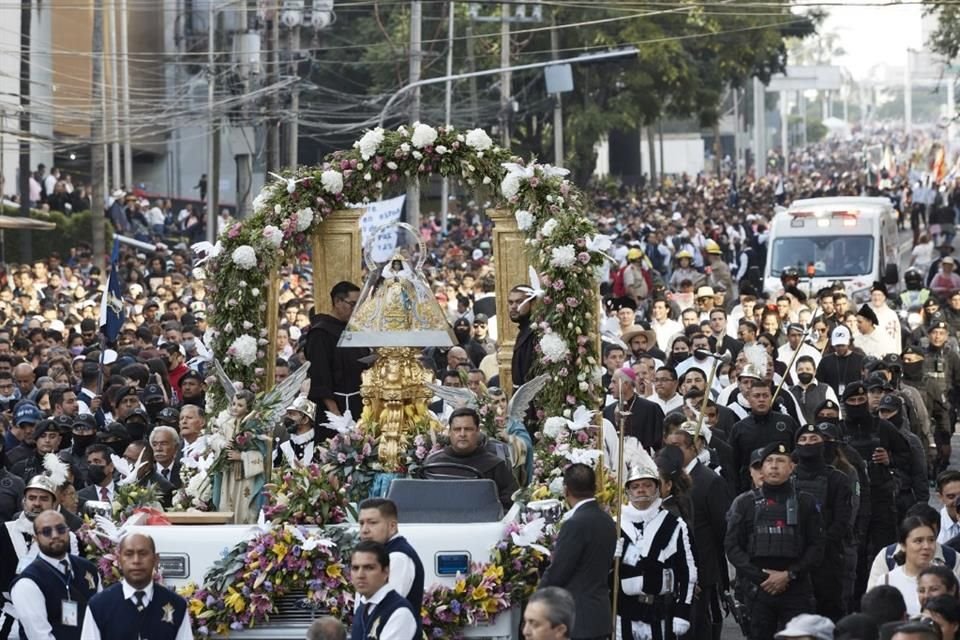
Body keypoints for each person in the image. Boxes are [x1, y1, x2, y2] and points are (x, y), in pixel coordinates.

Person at [725, 442, 825, 640]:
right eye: (769, 461)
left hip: (796, 588)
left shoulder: (805, 502)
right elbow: (733, 546)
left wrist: (789, 575)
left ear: (792, 467)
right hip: (758, 590)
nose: (774, 465)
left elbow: (817, 546)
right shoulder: (745, 503)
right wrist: (762, 577)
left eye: (780, 460)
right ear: (761, 468)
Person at [614, 449, 696, 640]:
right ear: (627, 491)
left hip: (660, 611)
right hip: (624, 613)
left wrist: (682, 611)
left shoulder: (674, 525)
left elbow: (687, 573)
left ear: (657, 489)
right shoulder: (615, 525)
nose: (641, 490)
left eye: (647, 485)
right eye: (635, 486)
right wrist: (609, 558)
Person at [662, 426, 731, 640]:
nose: (671, 453)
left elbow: (721, 527)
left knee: (698, 624)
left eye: (677, 447)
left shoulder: (710, 480)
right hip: (674, 570)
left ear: (693, 448)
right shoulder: (667, 478)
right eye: (668, 447)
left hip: (702, 565)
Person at [539, 463, 617, 640]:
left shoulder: (575, 524)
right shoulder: (606, 520)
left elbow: (559, 571)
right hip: (599, 616)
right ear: (595, 488)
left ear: (566, 490)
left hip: (578, 620)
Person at [81, 532, 192, 639]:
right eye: (129, 554)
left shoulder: (177, 605)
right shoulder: (99, 606)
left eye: (143, 553)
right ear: (119, 561)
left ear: (156, 560)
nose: (136, 561)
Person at [793, 424, 853, 621]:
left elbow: (841, 521)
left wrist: (817, 547)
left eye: (814, 440)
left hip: (828, 559)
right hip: (794, 558)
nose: (808, 444)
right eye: (803, 440)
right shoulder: (789, 480)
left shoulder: (838, 479)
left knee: (829, 612)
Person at [10, 509, 100, 639]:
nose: (55, 535)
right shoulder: (27, 583)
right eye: (46, 532)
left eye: (61, 529)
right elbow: (40, 636)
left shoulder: (88, 568)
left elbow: (101, 616)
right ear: (36, 538)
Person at [423, 408, 518, 510]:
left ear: (477, 432)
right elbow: (421, 500)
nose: (462, 434)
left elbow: (511, 501)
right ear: (449, 432)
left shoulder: (496, 465)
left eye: (468, 429)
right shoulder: (432, 464)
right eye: (457, 429)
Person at [304, 282, 369, 429]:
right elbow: (320, 377)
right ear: (338, 301)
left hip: (359, 403)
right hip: (336, 410)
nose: (356, 310)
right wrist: (336, 415)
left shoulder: (353, 330)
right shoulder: (320, 333)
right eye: (352, 304)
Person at [356, 498, 424, 627]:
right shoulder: (379, 553)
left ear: (392, 526)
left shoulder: (397, 557)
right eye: (361, 523)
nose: (364, 530)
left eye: (372, 523)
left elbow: (386, 609)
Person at [866, 516, 938, 616]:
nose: (926, 546)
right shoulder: (887, 580)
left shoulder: (946, 578)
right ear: (903, 545)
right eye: (918, 541)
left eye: (931, 540)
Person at [348, 540, 417, 640]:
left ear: (385, 572)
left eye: (369, 568)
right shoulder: (362, 608)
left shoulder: (399, 612)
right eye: (355, 568)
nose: (360, 575)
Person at [604, 367, 665, 452]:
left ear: (626, 384)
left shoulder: (651, 409)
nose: (610, 386)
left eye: (614, 382)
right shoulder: (608, 411)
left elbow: (659, 443)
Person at [274, 396, 318, 468]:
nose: (287, 417)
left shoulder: (318, 447)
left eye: (292, 414)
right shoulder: (283, 448)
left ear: (305, 420)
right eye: (288, 414)